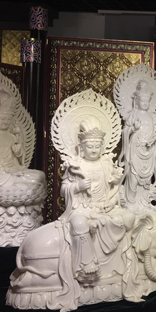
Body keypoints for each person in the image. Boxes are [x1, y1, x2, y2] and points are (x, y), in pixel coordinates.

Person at [59, 118, 135, 285]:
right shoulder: (75, 165)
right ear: (81, 147)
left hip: (105, 207)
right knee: (79, 223)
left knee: (129, 217)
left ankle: (120, 264)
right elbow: (63, 190)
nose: (93, 150)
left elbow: (116, 189)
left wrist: (112, 201)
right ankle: (87, 263)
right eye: (90, 146)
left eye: (97, 146)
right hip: (83, 208)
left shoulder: (106, 164)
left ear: (102, 146)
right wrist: (77, 186)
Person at [120, 80, 156, 212]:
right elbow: (125, 132)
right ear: (136, 101)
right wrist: (133, 129)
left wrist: (155, 138)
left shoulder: (153, 116)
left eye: (147, 101)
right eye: (142, 101)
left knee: (146, 181)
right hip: (135, 150)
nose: (144, 103)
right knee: (133, 179)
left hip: (149, 152)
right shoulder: (132, 114)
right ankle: (130, 206)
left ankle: (144, 207)